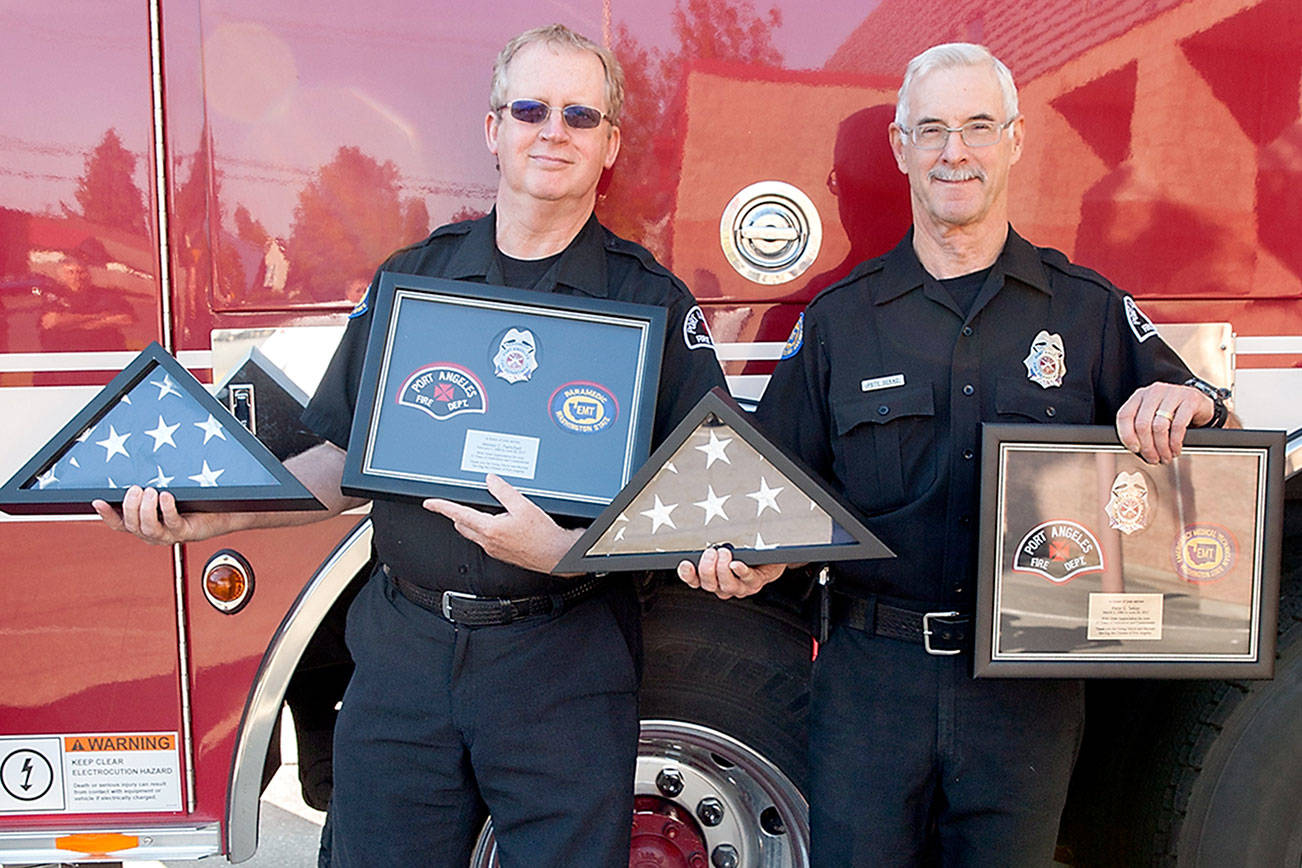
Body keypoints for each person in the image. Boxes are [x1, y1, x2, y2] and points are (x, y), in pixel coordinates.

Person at [95, 24, 725, 867]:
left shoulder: (652, 305)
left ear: (609, 143)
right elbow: (343, 460)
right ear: (492, 127)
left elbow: (705, 494)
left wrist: (570, 552)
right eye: (532, 108)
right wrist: (215, 518)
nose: (553, 132)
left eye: (581, 115)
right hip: (405, 655)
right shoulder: (413, 281)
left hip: (563, 664)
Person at [678, 42, 1228, 865]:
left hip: (1025, 695)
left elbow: (1207, 444)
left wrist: (1195, 403)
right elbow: (776, 494)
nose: (954, 152)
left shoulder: (1086, 310)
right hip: (872, 684)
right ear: (901, 149)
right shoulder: (839, 321)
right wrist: (746, 562)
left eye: (977, 127)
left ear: (1013, 139)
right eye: (931, 130)